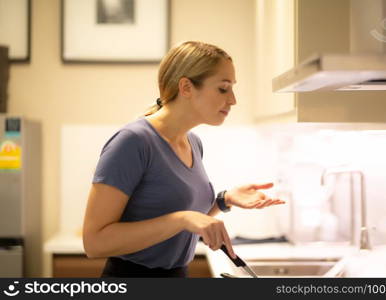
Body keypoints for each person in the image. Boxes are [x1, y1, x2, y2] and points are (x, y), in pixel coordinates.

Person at [82, 41, 285, 278]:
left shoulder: (193, 143)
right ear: (186, 87)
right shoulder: (133, 142)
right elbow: (94, 243)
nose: (232, 100)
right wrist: (182, 219)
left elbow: (182, 222)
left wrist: (224, 200)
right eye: (223, 89)